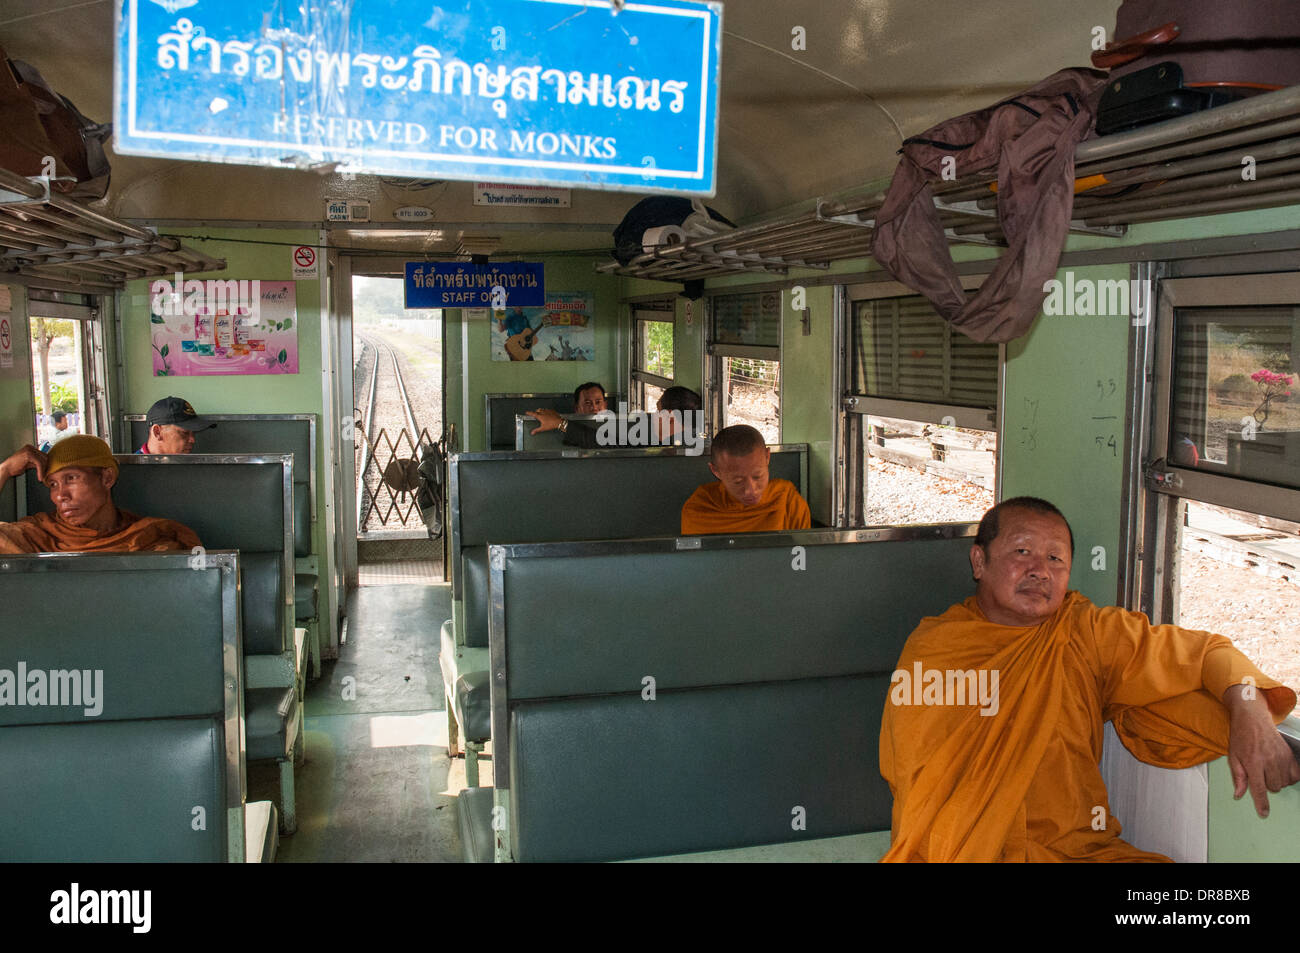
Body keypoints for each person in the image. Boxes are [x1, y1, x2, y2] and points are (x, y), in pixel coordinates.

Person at [879, 496, 1299, 863]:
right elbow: (915, 779)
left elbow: (1205, 654)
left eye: (1056, 558)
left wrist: (1250, 713)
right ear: (979, 561)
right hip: (958, 852)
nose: (1040, 570)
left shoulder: (1084, 632)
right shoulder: (937, 648)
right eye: (1022, 551)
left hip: (1074, 852)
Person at [0, 435, 201, 554]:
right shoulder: (38, 535)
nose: (61, 495)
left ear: (107, 478)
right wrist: (5, 470)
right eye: (53, 484)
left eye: (71, 478)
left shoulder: (151, 538)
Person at [680, 424, 811, 534]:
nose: (750, 490)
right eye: (738, 481)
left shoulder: (786, 499)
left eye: (757, 476)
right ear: (715, 471)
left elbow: (801, 556)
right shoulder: (700, 508)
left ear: (767, 457)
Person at [525, 382, 609, 448]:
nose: (594, 407)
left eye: (598, 402)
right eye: (587, 403)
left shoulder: (616, 427)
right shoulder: (562, 432)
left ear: (605, 405)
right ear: (576, 408)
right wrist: (560, 423)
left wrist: (561, 423)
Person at [136, 396, 215, 454]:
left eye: (194, 433)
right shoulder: (133, 473)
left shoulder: (189, 469)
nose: (192, 440)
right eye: (184, 433)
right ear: (157, 432)